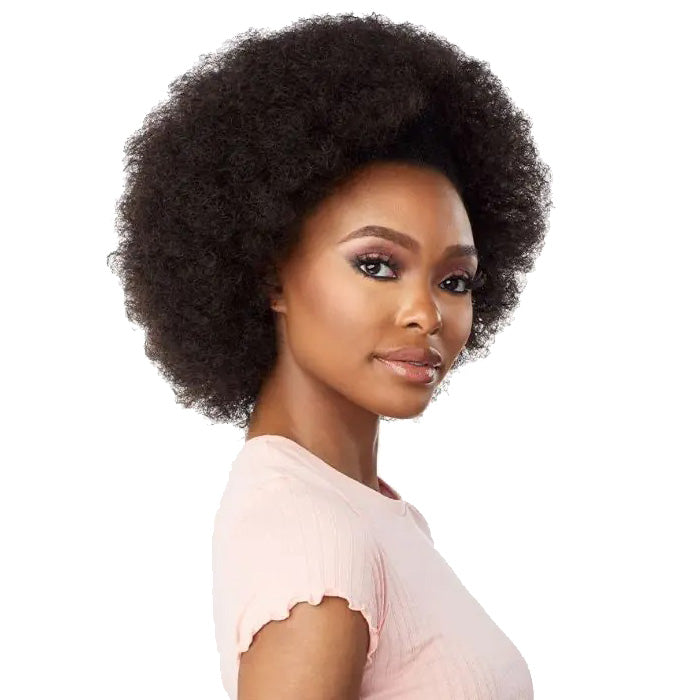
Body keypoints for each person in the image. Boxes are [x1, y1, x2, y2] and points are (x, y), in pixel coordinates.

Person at [107, 11, 552, 699]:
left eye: (455, 280)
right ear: (271, 275)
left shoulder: (362, 510)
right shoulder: (312, 534)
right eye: (377, 265)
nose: (427, 313)